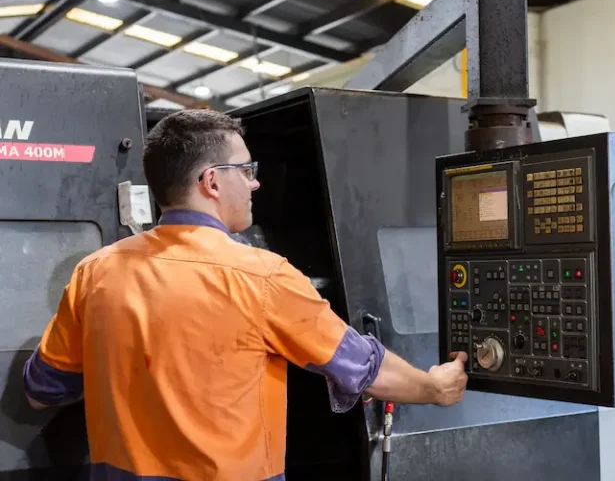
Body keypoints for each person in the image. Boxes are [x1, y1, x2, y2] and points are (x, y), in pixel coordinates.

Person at [22, 109, 468, 481]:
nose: (255, 183)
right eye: (247, 170)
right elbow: (360, 368)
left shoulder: (95, 272)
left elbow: (42, 390)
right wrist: (434, 387)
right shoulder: (261, 277)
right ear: (212, 181)